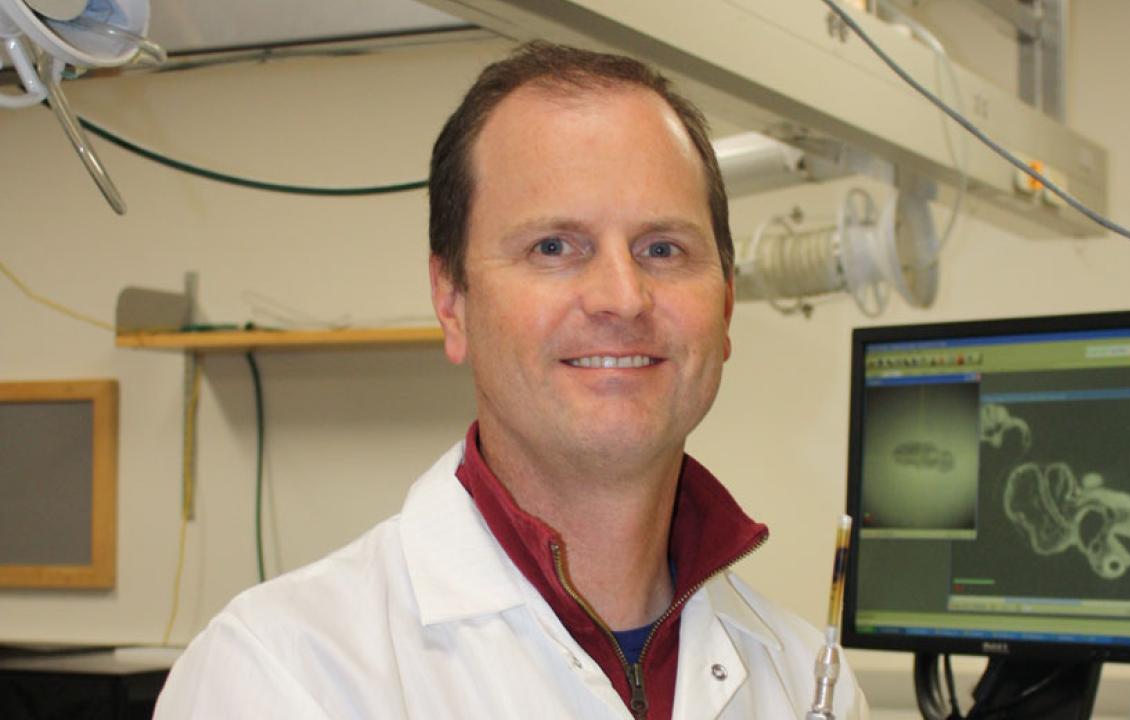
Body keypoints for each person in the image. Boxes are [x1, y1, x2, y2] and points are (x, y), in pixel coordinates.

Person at [155, 41, 868, 719]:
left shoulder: (805, 679)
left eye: (662, 248)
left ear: (726, 304)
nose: (622, 296)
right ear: (452, 301)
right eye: (553, 247)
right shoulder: (282, 677)